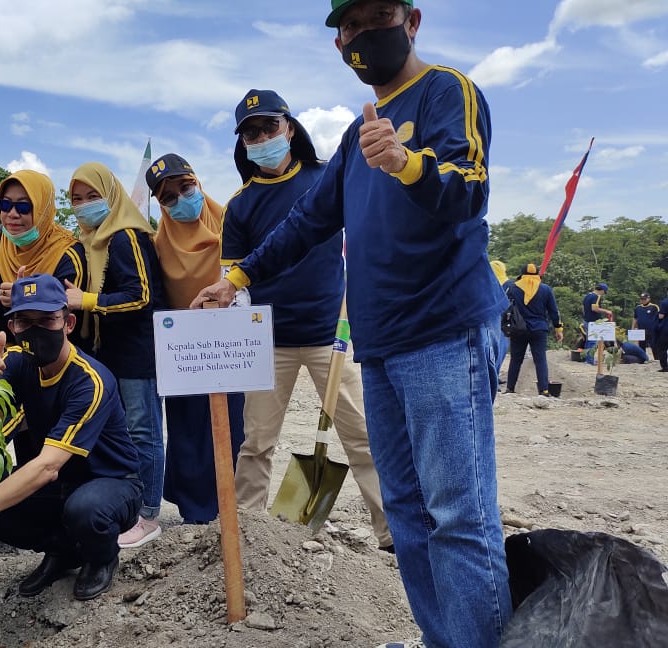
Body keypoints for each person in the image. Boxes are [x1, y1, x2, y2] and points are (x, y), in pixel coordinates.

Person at [192, 1, 509, 645]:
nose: (363, 34)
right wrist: (238, 278)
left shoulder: (447, 90)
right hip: (380, 343)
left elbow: (469, 188)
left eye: (377, 16)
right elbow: (308, 222)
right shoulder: (350, 142)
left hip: (443, 331)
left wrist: (406, 162)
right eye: (350, 25)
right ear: (339, 43)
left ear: (412, 21)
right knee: (408, 513)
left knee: (458, 516)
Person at [220, 89, 391, 549]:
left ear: (290, 128)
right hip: (267, 345)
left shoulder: (326, 180)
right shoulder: (239, 205)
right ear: (243, 143)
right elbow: (233, 284)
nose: (262, 139)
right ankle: (247, 530)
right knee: (256, 442)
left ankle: (392, 531)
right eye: (251, 134)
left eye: (269, 127)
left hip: (330, 335)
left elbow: (368, 225)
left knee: (363, 437)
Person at [0, 274, 141, 601]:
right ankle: (62, 550)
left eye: (47, 320)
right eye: (24, 321)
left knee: (84, 509)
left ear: (68, 323)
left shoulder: (89, 380)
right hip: (58, 483)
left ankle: (101, 556)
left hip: (110, 481)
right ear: (12, 326)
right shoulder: (17, 362)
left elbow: (47, 466)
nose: (35, 331)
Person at [66, 161, 167, 548]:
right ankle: (130, 508)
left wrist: (86, 301)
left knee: (144, 433)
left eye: (93, 195)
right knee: (124, 434)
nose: (84, 204)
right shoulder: (94, 241)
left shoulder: (125, 235)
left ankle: (149, 515)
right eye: (77, 198)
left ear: (111, 195)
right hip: (112, 354)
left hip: (137, 354)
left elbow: (141, 296)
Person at [145, 153, 245, 525]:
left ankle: (230, 507)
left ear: (197, 182)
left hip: (230, 344)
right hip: (184, 349)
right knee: (188, 430)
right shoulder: (158, 245)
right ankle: (194, 511)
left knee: (231, 425)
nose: (180, 200)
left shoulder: (231, 224)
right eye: (168, 197)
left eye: (185, 188)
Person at [0, 170, 88, 343]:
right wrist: (7, 348)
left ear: (42, 210)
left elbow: (66, 316)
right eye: (5, 205)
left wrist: (23, 296)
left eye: (24, 207)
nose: (12, 214)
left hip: (57, 350)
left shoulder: (68, 254)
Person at [503, 264, 563, 395]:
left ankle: (510, 388)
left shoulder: (512, 288)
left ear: (522, 274)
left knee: (515, 359)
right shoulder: (546, 289)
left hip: (518, 329)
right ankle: (544, 390)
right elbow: (554, 311)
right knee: (540, 359)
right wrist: (558, 329)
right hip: (539, 329)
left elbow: (504, 308)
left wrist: (505, 327)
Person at [580, 283, 613, 365]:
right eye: (604, 292)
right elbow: (594, 308)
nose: (603, 294)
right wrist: (607, 311)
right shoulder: (596, 296)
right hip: (593, 322)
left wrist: (586, 316)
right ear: (602, 290)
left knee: (588, 340)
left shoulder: (588, 295)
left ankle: (586, 358)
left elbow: (583, 308)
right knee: (593, 342)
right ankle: (590, 360)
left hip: (586, 320)